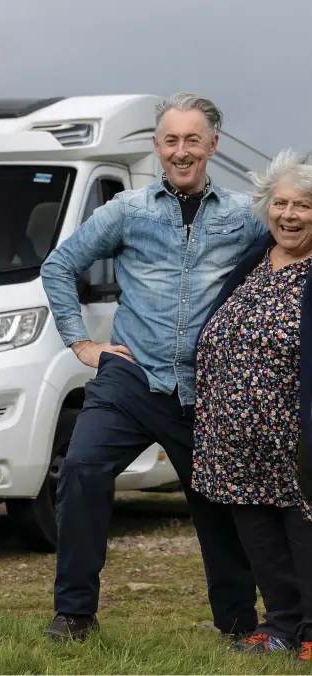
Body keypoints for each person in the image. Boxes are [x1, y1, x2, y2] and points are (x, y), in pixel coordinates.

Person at [40, 92, 267, 642]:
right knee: (82, 469)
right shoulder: (127, 212)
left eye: (193, 140)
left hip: (205, 388)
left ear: (212, 145)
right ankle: (74, 616)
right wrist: (82, 345)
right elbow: (59, 266)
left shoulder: (245, 217)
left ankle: (237, 627)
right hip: (129, 377)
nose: (181, 151)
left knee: (218, 503)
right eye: (171, 140)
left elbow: (287, 254)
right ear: (156, 146)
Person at [192, 149, 312, 662]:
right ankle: (281, 624)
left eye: (304, 205)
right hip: (234, 436)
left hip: (294, 435)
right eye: (281, 203)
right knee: (258, 535)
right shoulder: (256, 259)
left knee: (303, 530)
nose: (289, 215)